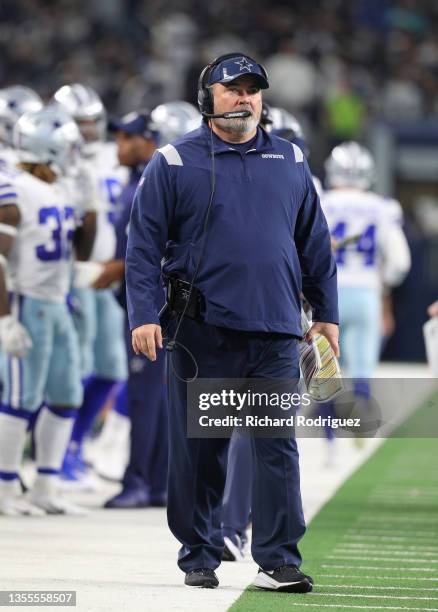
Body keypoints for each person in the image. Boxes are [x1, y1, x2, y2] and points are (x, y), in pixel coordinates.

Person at [126, 53, 339, 592]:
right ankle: (199, 552)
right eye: (231, 89)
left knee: (276, 444)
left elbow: (315, 244)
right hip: (200, 331)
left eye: (252, 90)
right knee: (202, 448)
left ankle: (278, 558)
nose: (243, 98)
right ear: (208, 98)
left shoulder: (291, 159)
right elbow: (142, 245)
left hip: (273, 330)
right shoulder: (173, 161)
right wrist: (144, 314)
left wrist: (326, 315)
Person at [0, 107, 86, 515]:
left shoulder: (59, 188)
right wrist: (4, 318)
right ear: (47, 148)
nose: (74, 154)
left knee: (68, 394)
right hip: (25, 299)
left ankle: (45, 485)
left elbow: (72, 253)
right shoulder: (14, 187)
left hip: (55, 302)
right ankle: (3, 487)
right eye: (68, 146)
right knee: (21, 397)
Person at [52, 84, 128, 486]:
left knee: (112, 368)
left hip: (109, 270)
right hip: (73, 271)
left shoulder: (113, 157)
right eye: (78, 122)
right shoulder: (58, 162)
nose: (87, 129)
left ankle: (76, 445)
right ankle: (57, 453)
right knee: (75, 367)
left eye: (90, 121)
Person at [91, 110, 168, 508]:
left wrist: (113, 269)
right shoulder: (139, 179)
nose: (120, 145)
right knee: (155, 395)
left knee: (145, 394)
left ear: (151, 139)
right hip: (146, 301)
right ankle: (156, 483)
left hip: (151, 305)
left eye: (128, 137)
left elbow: (151, 252)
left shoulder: (154, 181)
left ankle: (139, 481)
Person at [322, 142, 411, 395]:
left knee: (325, 370)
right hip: (366, 292)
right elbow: (400, 263)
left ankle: (327, 431)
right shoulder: (382, 207)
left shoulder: (321, 201)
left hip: (326, 294)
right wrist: (383, 289)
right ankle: (360, 429)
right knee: (361, 373)